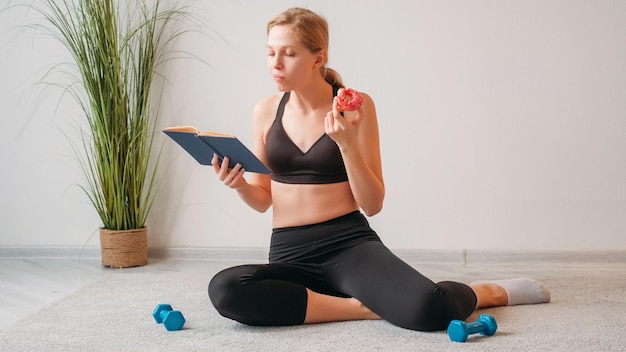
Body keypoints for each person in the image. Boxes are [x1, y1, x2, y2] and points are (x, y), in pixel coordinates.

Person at [208, 7, 550, 331]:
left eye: (289, 53)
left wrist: (346, 144)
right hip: (288, 251)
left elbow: (372, 204)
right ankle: (364, 307)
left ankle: (485, 292)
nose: (276, 64)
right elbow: (263, 199)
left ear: (319, 57)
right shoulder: (265, 111)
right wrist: (237, 184)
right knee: (226, 290)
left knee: (430, 310)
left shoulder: (355, 107)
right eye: (270, 53)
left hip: (348, 246)